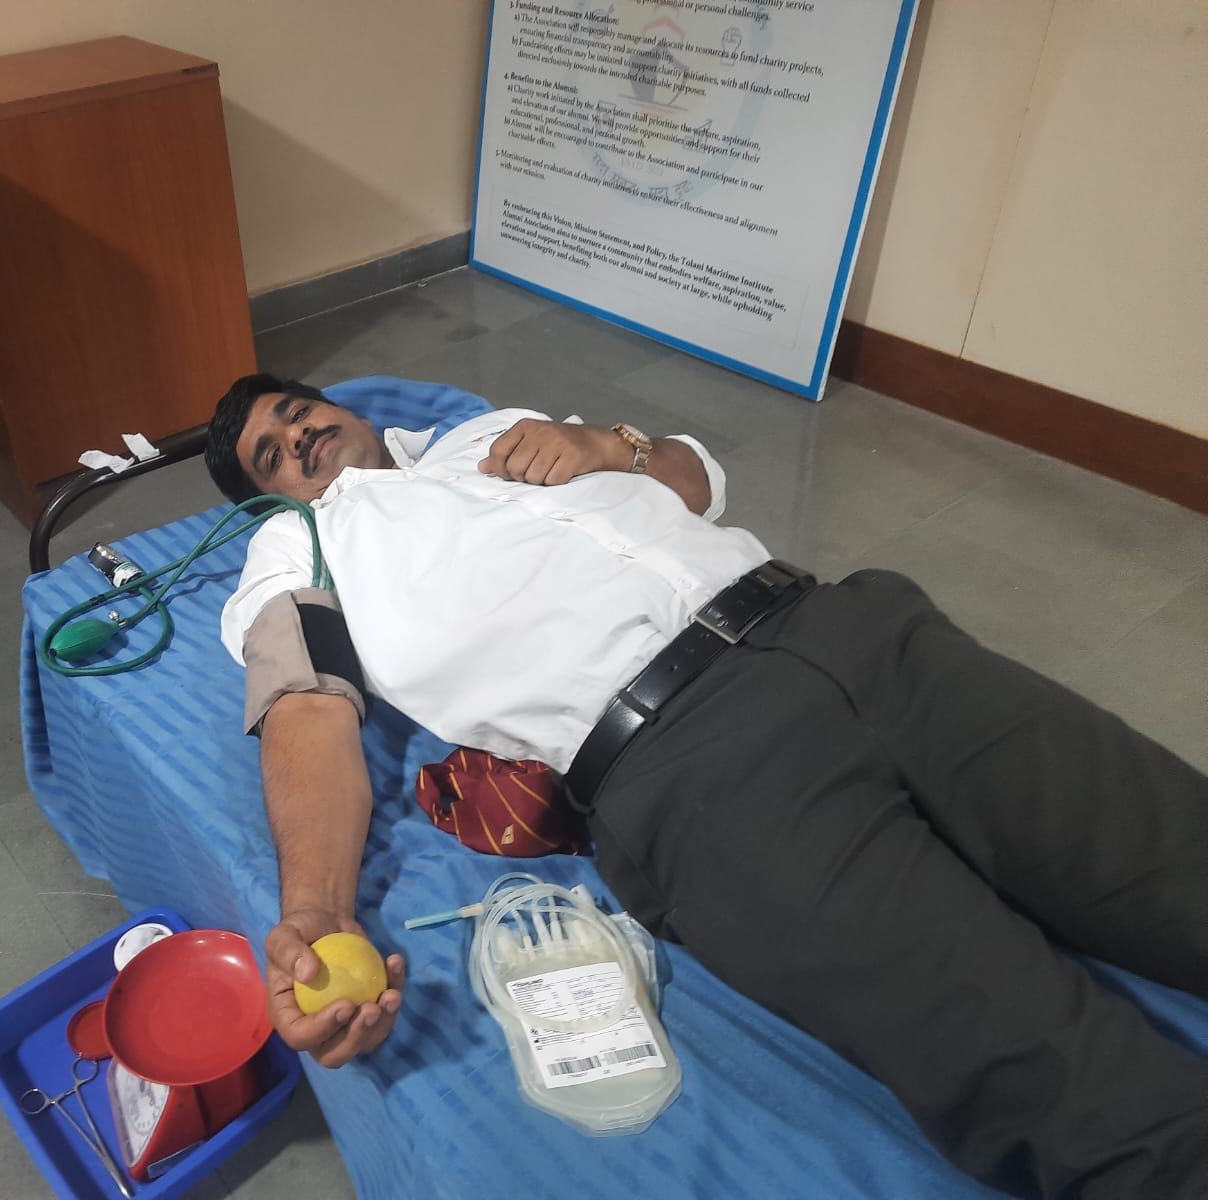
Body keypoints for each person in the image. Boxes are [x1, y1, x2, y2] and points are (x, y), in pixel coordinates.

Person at [203, 372, 1208, 1200]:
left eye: (298, 413)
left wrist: (609, 445)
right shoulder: (300, 548)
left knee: (1170, 852)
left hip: (851, 629)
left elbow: (689, 482)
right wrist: (317, 911)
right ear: (268, 499)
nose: (298, 438)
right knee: (1054, 1070)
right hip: (694, 769)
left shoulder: (488, 431)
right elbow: (305, 710)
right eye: (271, 455)